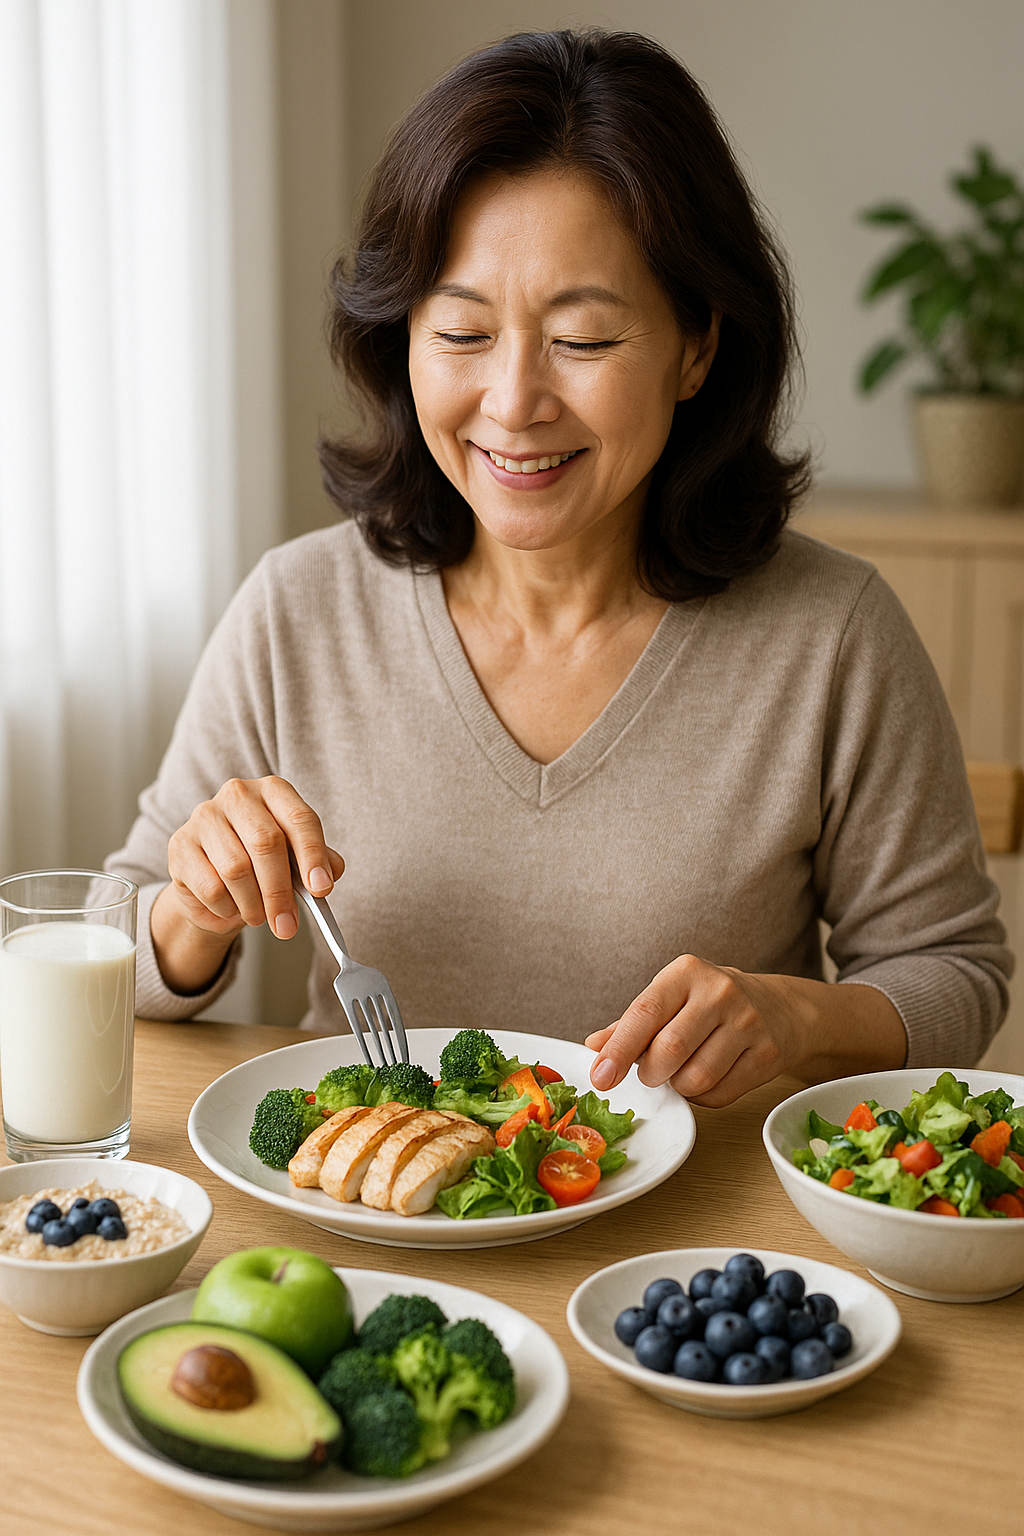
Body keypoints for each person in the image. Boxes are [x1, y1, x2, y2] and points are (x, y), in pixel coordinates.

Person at [106, 29, 1011, 1107]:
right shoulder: (297, 610)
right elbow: (118, 947)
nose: (513, 403)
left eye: (581, 342)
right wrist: (192, 912)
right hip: (365, 1196)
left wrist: (796, 1016)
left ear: (697, 346)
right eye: (462, 333)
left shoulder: (832, 632)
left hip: (702, 1216)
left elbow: (954, 973)